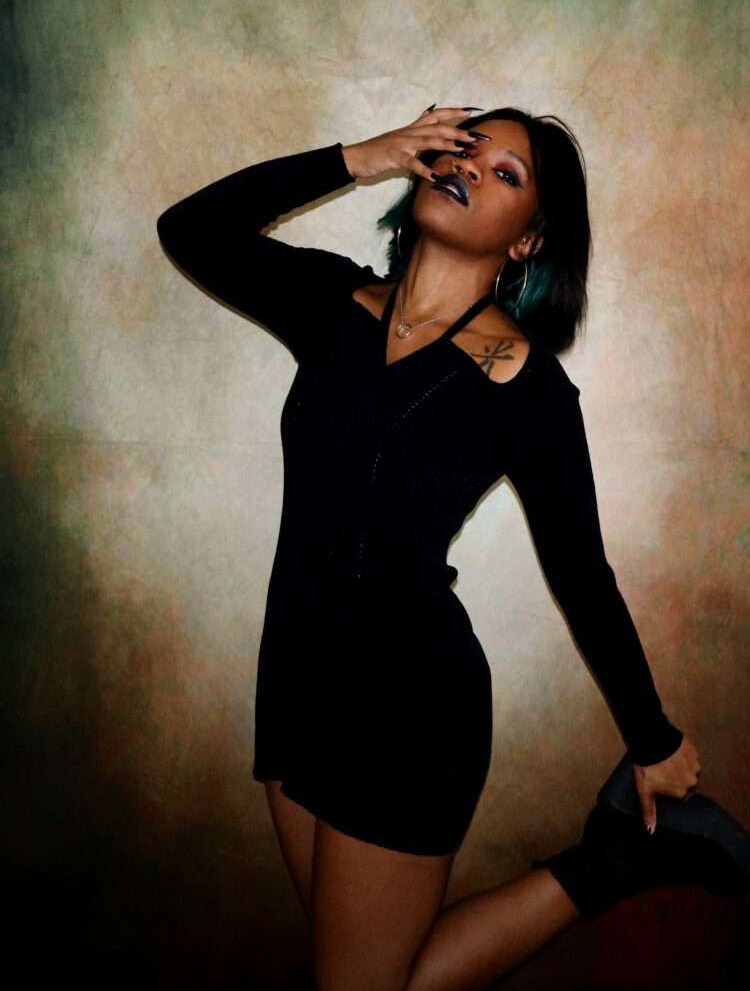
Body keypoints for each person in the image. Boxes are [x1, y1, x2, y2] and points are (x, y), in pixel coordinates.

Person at [156, 104, 708, 989]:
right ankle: (619, 861)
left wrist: (652, 737)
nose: (473, 167)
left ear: (527, 241)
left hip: (409, 707)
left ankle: (620, 860)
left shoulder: (525, 384)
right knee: (364, 974)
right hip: (295, 679)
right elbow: (190, 230)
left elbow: (580, 572)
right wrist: (359, 156)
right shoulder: (332, 305)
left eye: (507, 174)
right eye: (468, 146)